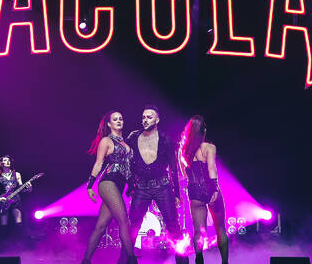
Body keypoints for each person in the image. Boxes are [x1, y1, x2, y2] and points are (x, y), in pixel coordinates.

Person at [121, 105, 188, 264]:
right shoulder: (133, 137)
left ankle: (182, 261)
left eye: (149, 117)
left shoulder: (165, 140)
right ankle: (126, 261)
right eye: (143, 117)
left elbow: (173, 168)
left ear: (157, 119)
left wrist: (177, 194)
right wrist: (131, 184)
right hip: (141, 187)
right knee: (133, 228)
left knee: (173, 227)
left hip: (163, 186)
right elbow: (127, 161)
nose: (145, 120)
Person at [82, 111, 138, 264]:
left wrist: (133, 185)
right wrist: (89, 186)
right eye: (115, 119)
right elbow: (99, 163)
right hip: (108, 183)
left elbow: (129, 169)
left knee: (101, 226)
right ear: (109, 124)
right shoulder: (106, 141)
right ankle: (132, 260)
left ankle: (85, 261)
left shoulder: (126, 143)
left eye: (121, 118)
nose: (119, 121)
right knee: (124, 221)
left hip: (118, 186)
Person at [179, 115, 228, 264]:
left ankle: (199, 259)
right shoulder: (209, 147)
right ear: (203, 130)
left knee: (199, 231)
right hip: (210, 189)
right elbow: (212, 168)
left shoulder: (183, 151)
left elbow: (183, 175)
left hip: (194, 192)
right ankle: (225, 263)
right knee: (220, 229)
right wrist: (214, 189)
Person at [0, 155, 32, 226]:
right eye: (5, 160)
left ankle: (19, 235)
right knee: (4, 225)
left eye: (8, 160)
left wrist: (29, 189)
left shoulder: (17, 174)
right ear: (1, 163)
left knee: (19, 223)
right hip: (4, 202)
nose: (8, 161)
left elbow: (21, 189)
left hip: (15, 200)